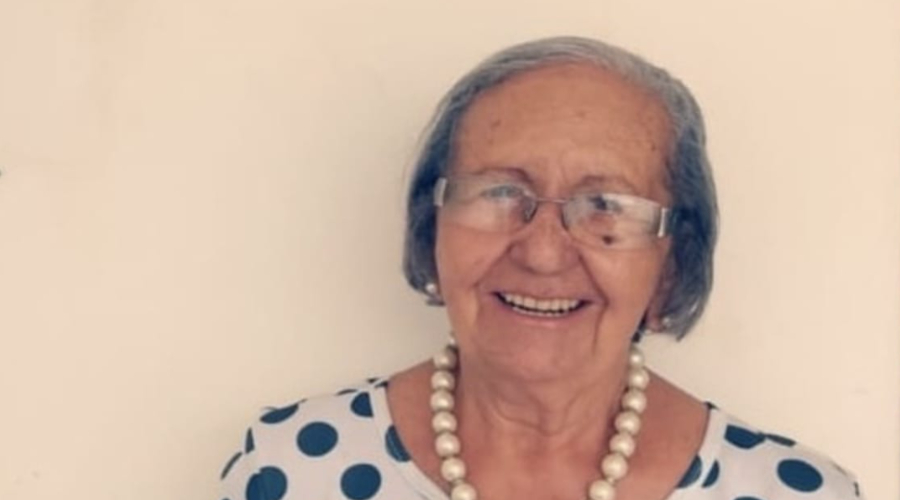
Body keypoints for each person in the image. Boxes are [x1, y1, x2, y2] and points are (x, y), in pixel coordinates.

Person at [218, 36, 863, 500]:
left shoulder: (797, 493)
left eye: (606, 206)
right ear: (431, 226)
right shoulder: (289, 470)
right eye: (499, 192)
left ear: (672, 262)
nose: (543, 252)